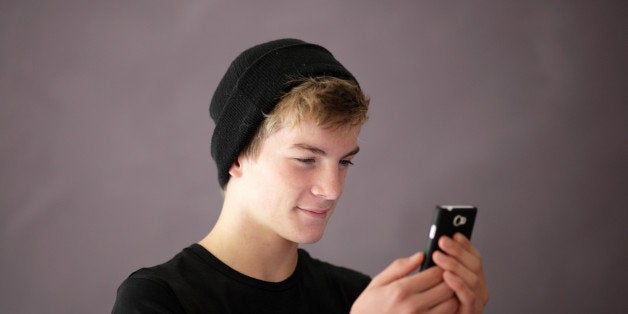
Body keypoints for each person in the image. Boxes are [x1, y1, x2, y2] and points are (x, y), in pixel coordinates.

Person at [113, 38, 489, 313]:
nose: (332, 190)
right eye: (306, 159)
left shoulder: (358, 296)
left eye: (344, 163)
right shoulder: (158, 299)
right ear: (238, 157)